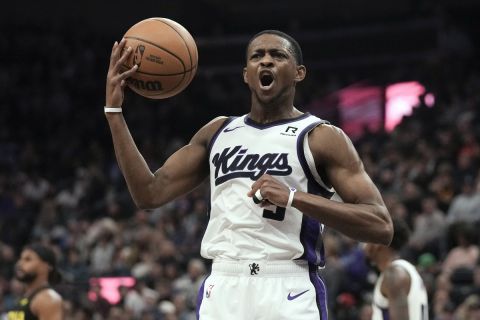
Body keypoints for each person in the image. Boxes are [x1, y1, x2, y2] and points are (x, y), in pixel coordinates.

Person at [105, 29, 393, 319]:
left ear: (299, 72)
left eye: (277, 55)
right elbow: (149, 193)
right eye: (257, 56)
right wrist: (114, 112)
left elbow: (380, 224)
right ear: (246, 74)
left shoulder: (320, 136)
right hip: (224, 285)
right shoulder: (217, 131)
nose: (266, 61)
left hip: (287, 285)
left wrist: (294, 198)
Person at [364, 218, 428, 320]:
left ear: (377, 243)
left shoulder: (394, 275)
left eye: (366, 238)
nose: (363, 245)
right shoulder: (406, 270)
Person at [6, 244, 63, 320]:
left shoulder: (47, 299)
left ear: (47, 266)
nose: (20, 264)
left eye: (28, 259)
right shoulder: (27, 295)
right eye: (20, 259)